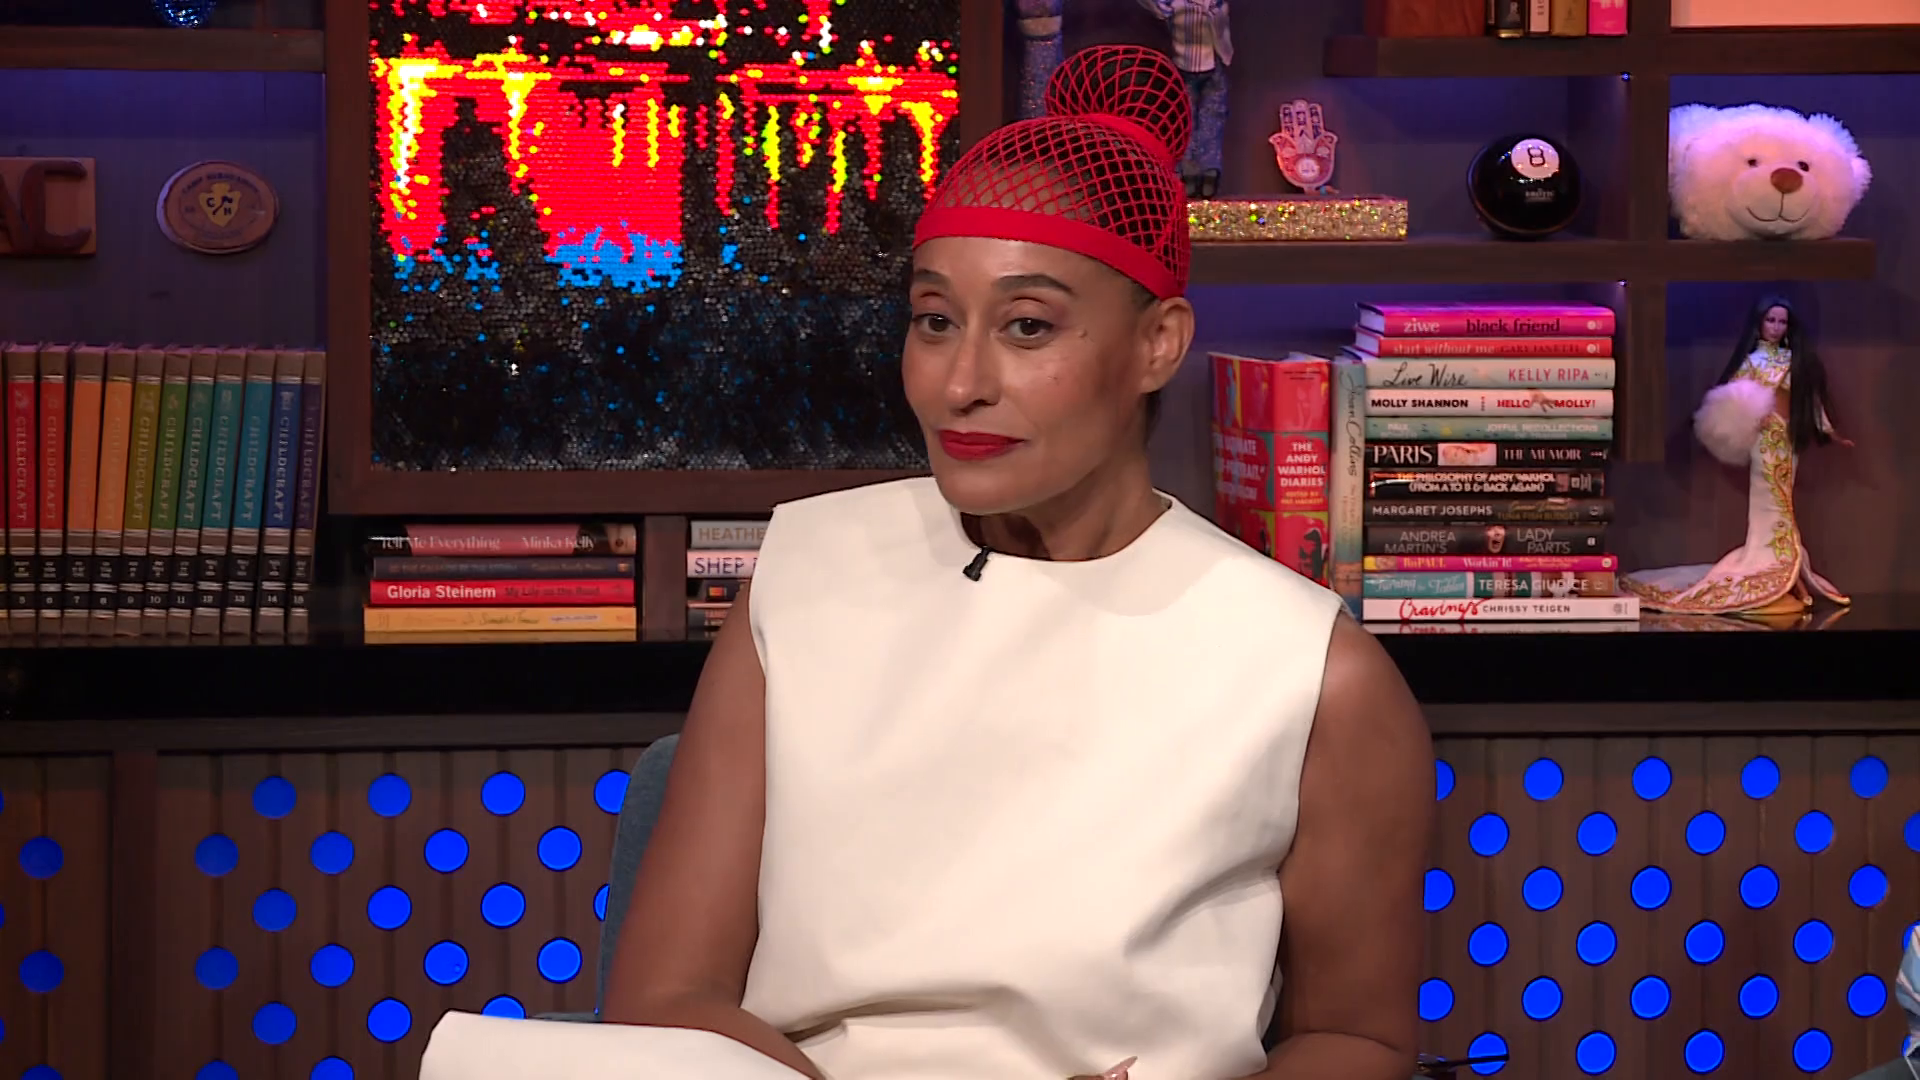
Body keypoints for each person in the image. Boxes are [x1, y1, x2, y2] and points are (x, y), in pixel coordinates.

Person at [422, 44, 1431, 1080]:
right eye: (935, 322)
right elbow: (667, 999)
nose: (960, 384)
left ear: (1158, 344)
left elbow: (1354, 1039)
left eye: (1027, 327)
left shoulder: (1309, 669)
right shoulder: (807, 569)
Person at [1622, 294, 1852, 616]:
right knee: (1771, 501)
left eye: (1782, 322)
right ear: (1760, 324)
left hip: (1786, 439)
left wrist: (1830, 433)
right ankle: (1774, 569)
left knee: (1784, 500)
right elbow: (1731, 399)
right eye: (1770, 320)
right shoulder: (1752, 362)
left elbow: (1810, 401)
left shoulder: (1794, 360)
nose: (1776, 327)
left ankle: (1786, 571)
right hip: (1763, 441)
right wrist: (1743, 418)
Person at [1135, 0, 1233, 199]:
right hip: (1184, 65)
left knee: (1210, 117)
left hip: (1212, 62)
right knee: (1186, 119)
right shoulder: (1173, 4)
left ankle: (1208, 169)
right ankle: (1189, 171)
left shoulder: (1214, 5)